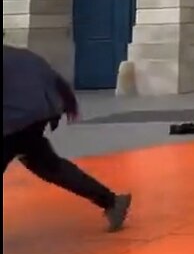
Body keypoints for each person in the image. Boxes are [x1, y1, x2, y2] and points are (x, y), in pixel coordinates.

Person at [3, 41, 132, 232]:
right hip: (36, 117)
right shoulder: (24, 56)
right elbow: (56, 81)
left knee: (47, 165)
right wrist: (67, 106)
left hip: (13, 121)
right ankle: (111, 202)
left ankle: (111, 202)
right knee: (51, 167)